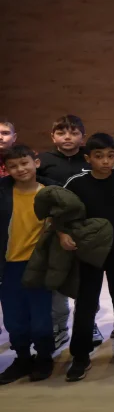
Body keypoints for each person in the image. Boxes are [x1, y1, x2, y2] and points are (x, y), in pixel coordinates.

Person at [62, 133, 114, 382]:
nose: (105, 161)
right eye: (99, 156)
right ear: (88, 158)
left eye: (110, 156)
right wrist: (63, 234)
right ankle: (80, 355)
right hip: (89, 253)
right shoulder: (76, 183)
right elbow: (60, 213)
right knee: (86, 303)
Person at [39, 115, 97, 349]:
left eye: (73, 133)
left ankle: (89, 323)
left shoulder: (90, 159)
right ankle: (60, 326)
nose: (67, 137)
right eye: (61, 133)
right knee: (58, 277)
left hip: (86, 227)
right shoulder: (43, 161)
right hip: (56, 228)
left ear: (83, 137)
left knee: (87, 278)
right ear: (53, 136)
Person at [0, 145, 56, 384]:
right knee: (14, 319)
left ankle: (44, 357)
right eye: (13, 166)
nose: (20, 169)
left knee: (41, 318)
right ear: (6, 169)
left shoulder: (51, 193)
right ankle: (22, 358)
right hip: (8, 266)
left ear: (36, 163)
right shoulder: (3, 192)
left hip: (38, 265)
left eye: (24, 163)